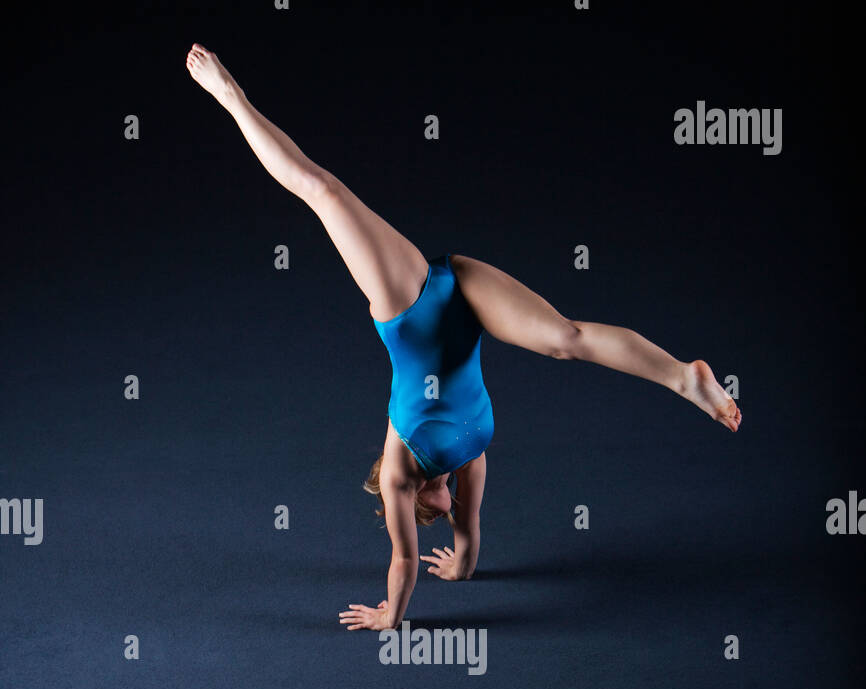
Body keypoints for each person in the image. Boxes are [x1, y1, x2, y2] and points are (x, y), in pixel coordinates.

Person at [186, 44, 741, 632]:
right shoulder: (469, 461)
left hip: (411, 307)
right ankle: (688, 377)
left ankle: (229, 95)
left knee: (322, 192)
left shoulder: (401, 473)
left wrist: (390, 618)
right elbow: (470, 542)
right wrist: (462, 569)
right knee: (563, 339)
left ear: (417, 501)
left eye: (435, 507)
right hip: (465, 297)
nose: (443, 505)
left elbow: (402, 561)